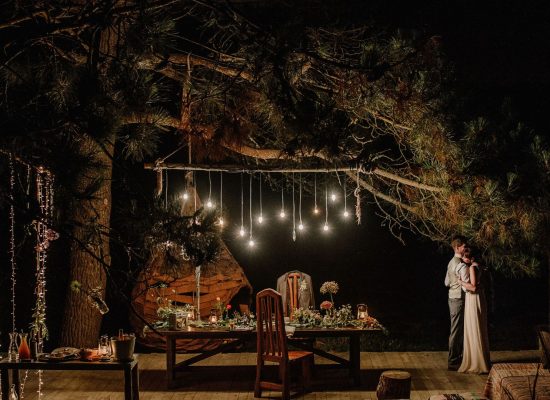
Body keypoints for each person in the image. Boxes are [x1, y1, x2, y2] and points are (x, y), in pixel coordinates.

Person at [457, 249, 491, 374]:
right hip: (480, 297)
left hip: (473, 297)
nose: (463, 260)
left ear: (470, 258)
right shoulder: (480, 266)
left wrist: (460, 281)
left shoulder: (472, 267)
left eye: (465, 258)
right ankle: (481, 359)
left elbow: (473, 286)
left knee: (474, 326)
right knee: (479, 327)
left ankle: (476, 362)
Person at [444, 235, 469, 371]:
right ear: (457, 247)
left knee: (457, 329)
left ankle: (457, 358)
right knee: (456, 330)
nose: (465, 248)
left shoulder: (451, 262)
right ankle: (453, 361)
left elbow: (446, 282)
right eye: (464, 246)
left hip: (452, 297)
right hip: (458, 298)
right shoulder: (459, 264)